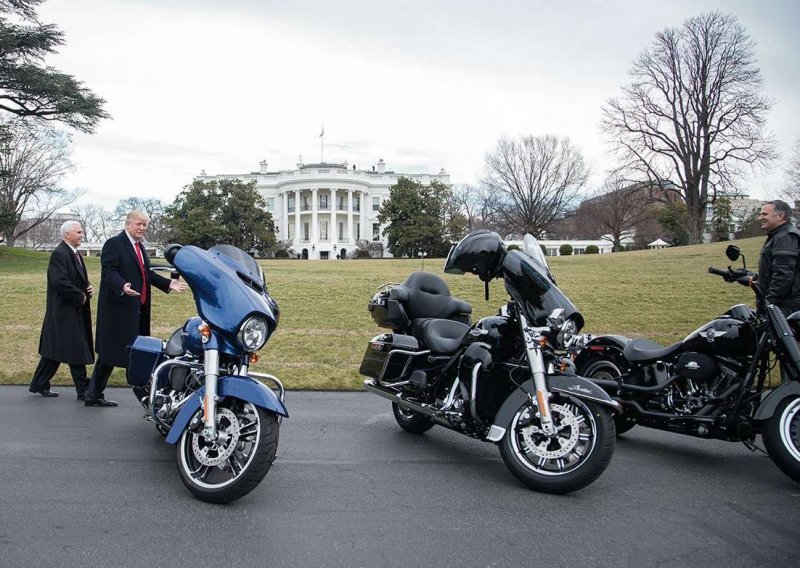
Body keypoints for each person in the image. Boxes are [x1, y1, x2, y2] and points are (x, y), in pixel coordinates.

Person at [84, 210, 187, 407]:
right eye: (139, 224)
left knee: (132, 352)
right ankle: (144, 395)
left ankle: (94, 393)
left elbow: (146, 273)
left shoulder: (140, 247)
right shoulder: (114, 244)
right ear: (128, 224)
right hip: (118, 310)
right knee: (111, 354)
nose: (142, 228)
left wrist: (168, 284)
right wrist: (122, 285)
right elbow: (109, 271)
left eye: (145, 225)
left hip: (137, 311)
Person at [29, 220, 94, 399]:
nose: (82, 235)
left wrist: (88, 288)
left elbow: (75, 278)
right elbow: (60, 282)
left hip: (73, 309)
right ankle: (83, 389)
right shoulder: (59, 254)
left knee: (54, 349)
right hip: (63, 311)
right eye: (79, 232)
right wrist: (80, 296)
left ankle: (39, 383)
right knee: (76, 347)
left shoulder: (75, 253)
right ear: (67, 234)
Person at [758, 199, 800, 316]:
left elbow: (784, 274)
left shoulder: (785, 236)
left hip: (786, 308)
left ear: (780, 216)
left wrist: (769, 302)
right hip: (783, 305)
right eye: (760, 214)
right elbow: (774, 270)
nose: (760, 217)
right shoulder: (778, 235)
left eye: (764, 214)